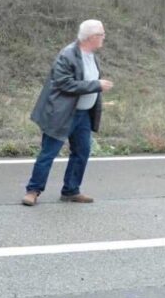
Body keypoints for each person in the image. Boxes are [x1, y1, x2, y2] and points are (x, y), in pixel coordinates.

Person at [23, 19, 113, 206]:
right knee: (49, 152)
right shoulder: (67, 55)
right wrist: (96, 85)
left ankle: (71, 190)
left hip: (84, 115)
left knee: (82, 152)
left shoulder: (92, 56)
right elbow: (64, 83)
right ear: (91, 37)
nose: (104, 37)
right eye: (101, 34)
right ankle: (33, 190)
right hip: (62, 114)